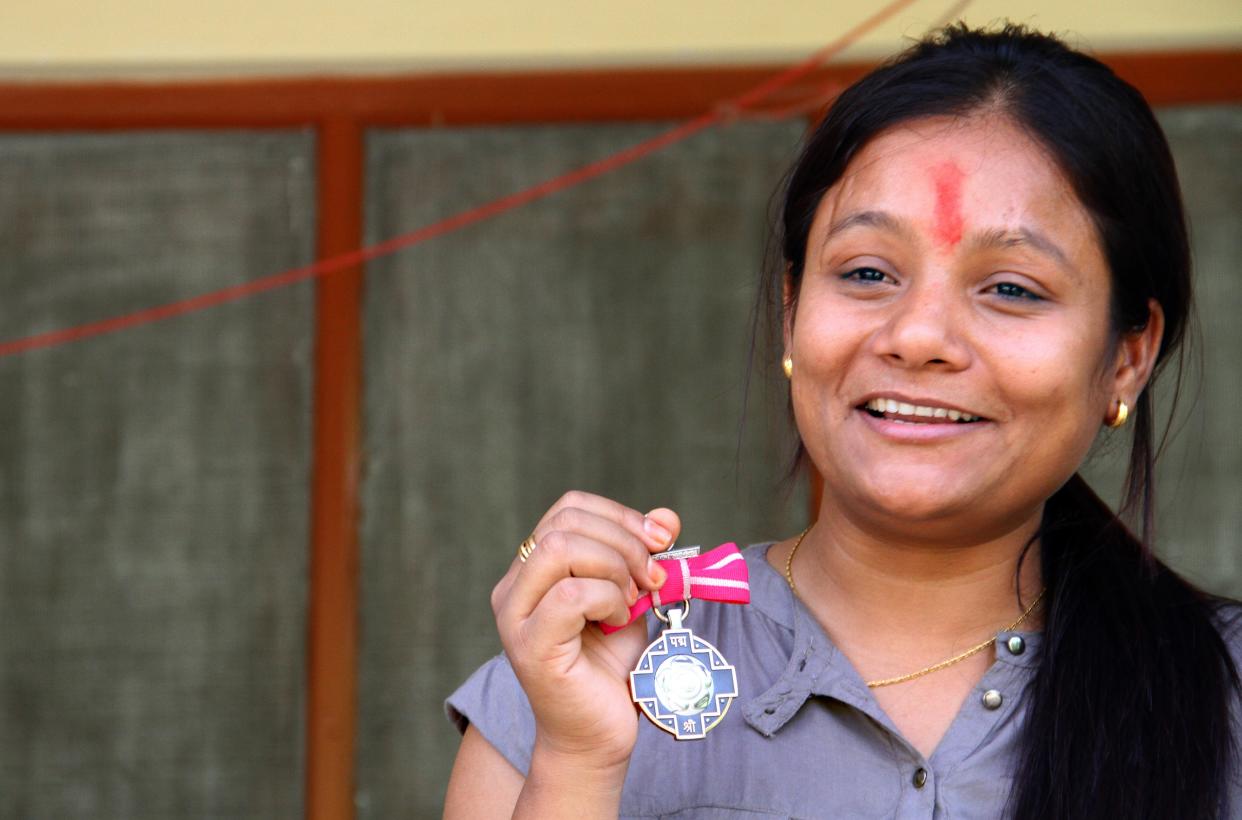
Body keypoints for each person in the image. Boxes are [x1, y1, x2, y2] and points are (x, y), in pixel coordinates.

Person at [443, 23, 1242, 819]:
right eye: (866, 272)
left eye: (1011, 288)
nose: (918, 337)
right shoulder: (574, 674)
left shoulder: (1224, 693)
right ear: (791, 313)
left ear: (1129, 356)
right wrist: (580, 763)